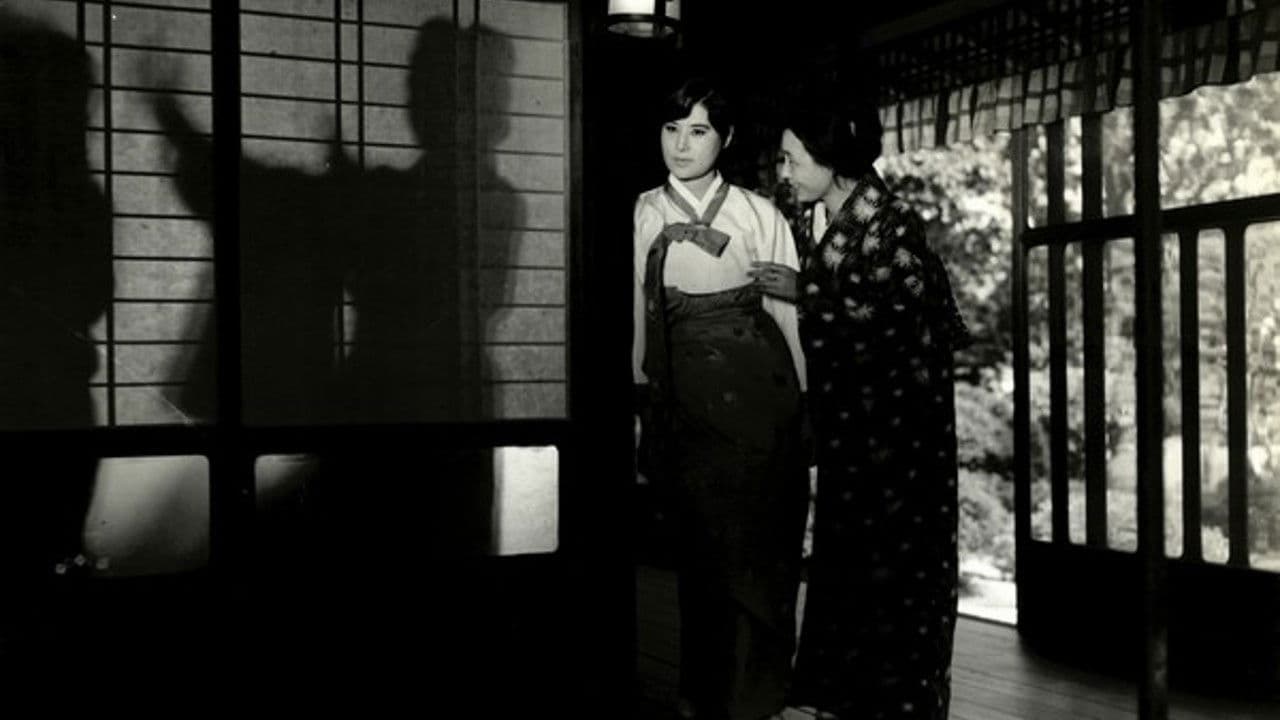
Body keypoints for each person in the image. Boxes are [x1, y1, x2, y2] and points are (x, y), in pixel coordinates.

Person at [759, 91, 971, 719]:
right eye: (781, 160)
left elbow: (902, 322)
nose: (784, 172)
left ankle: (897, 703)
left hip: (901, 435)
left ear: (829, 157)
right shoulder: (811, 220)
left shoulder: (892, 221)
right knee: (844, 559)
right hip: (849, 430)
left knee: (898, 567)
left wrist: (808, 294)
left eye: (793, 159)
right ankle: (841, 697)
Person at [632, 75, 810, 720]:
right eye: (672, 129)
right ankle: (704, 693)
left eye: (699, 130)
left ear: (726, 139)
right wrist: (640, 407)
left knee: (763, 550)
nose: (681, 145)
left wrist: (805, 409)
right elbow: (634, 322)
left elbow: (787, 319)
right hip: (684, 401)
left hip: (763, 401)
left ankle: (757, 697)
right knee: (703, 553)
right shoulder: (641, 214)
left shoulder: (759, 214)